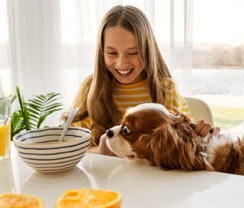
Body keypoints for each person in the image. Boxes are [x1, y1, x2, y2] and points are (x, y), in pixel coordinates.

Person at [62, 5, 217, 155]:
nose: (121, 63)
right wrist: (99, 152)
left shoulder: (166, 90)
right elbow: (66, 147)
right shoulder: (90, 89)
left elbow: (185, 146)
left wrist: (204, 139)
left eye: (133, 53)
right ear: (101, 52)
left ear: (147, 51)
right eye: (112, 53)